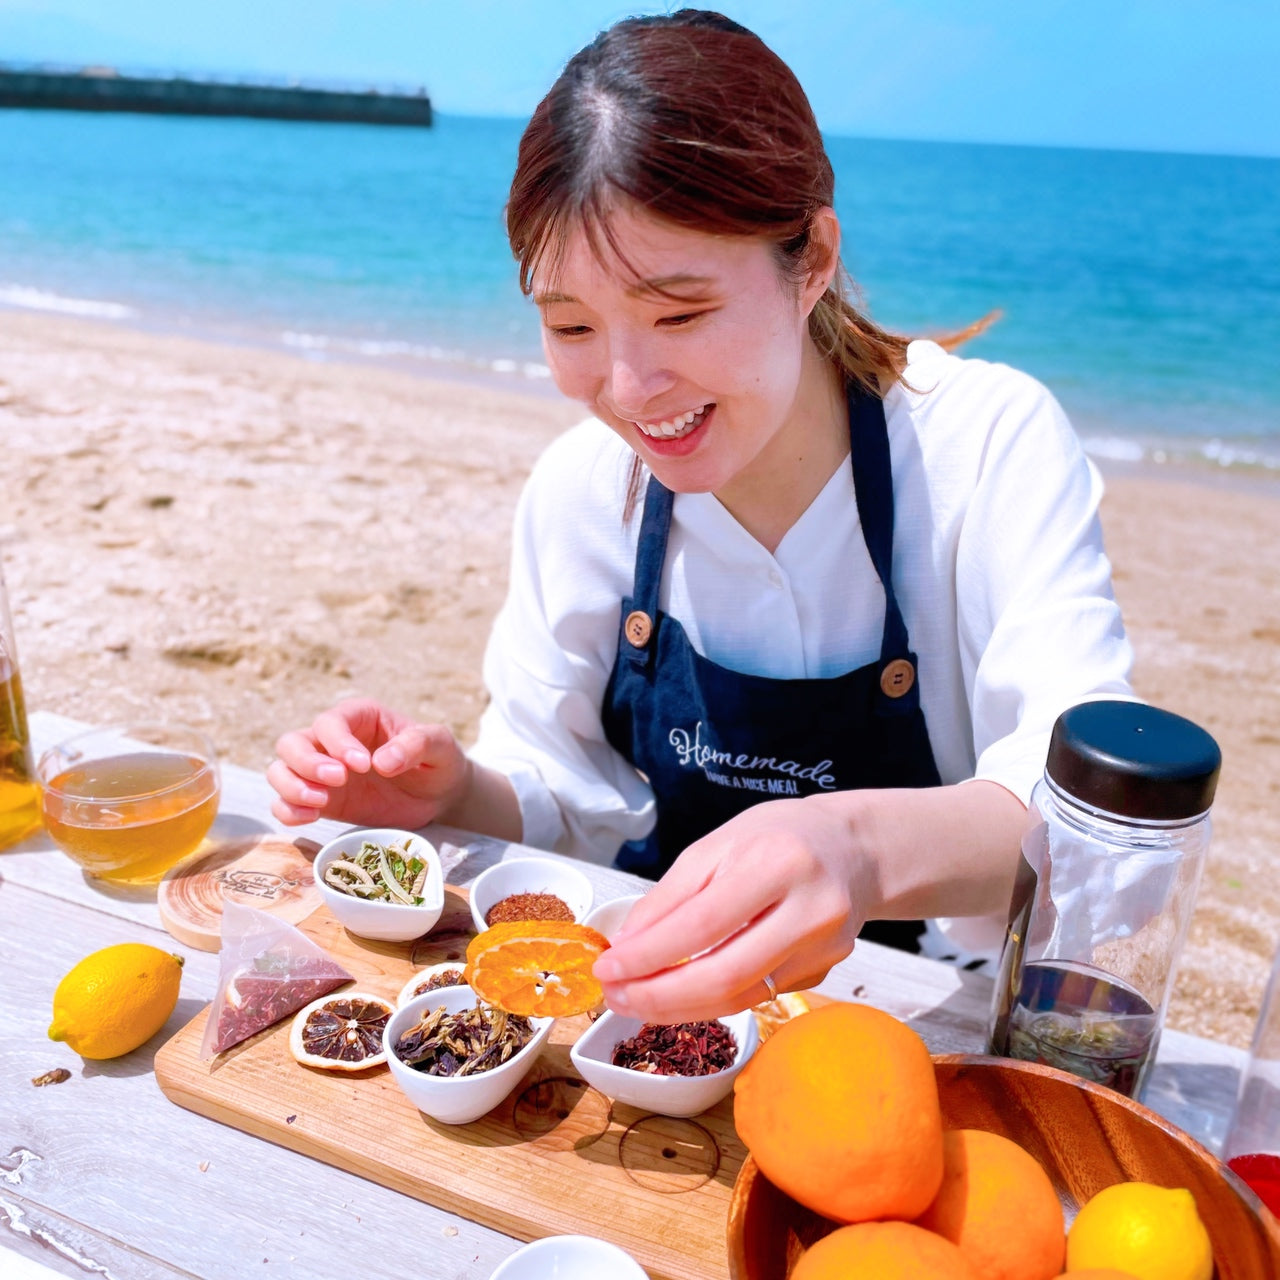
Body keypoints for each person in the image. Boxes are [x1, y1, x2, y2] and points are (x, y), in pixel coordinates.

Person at [267, 10, 1133, 1023]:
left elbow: (1088, 812)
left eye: (679, 312)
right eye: (570, 324)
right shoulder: (581, 490)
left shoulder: (983, 447)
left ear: (809, 260)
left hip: (913, 1018)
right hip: (644, 1007)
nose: (630, 387)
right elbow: (560, 791)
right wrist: (449, 796)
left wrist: (849, 850)